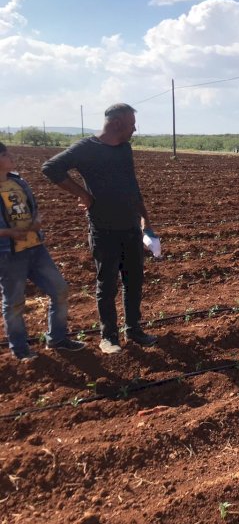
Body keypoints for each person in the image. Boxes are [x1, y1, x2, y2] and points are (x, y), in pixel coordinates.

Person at [41, 104, 157, 354]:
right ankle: (109, 337)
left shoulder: (125, 149)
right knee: (107, 284)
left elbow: (132, 185)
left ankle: (134, 330)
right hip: (104, 229)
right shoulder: (86, 149)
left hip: (130, 227)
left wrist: (145, 218)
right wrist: (83, 194)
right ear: (116, 124)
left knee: (134, 281)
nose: (135, 129)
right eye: (131, 124)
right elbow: (51, 168)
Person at [0, 143, 84, 360]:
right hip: (9, 254)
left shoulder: (18, 182)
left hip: (36, 248)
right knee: (15, 302)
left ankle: (57, 338)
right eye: (5, 154)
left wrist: (37, 221)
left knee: (60, 290)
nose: (11, 156)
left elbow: (33, 208)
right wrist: (9, 232)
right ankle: (20, 350)